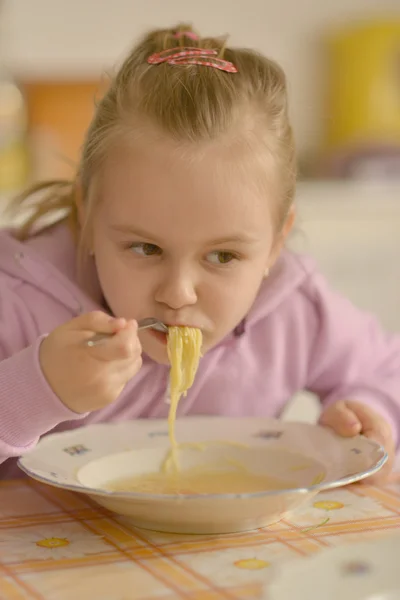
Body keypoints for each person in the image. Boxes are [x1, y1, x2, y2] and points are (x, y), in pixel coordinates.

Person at [0, 24, 398, 482]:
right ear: (85, 212)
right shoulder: (20, 305)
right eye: (145, 248)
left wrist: (374, 413)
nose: (178, 294)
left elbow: (388, 369)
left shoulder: (295, 311)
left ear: (276, 241)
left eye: (223, 257)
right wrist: (34, 390)